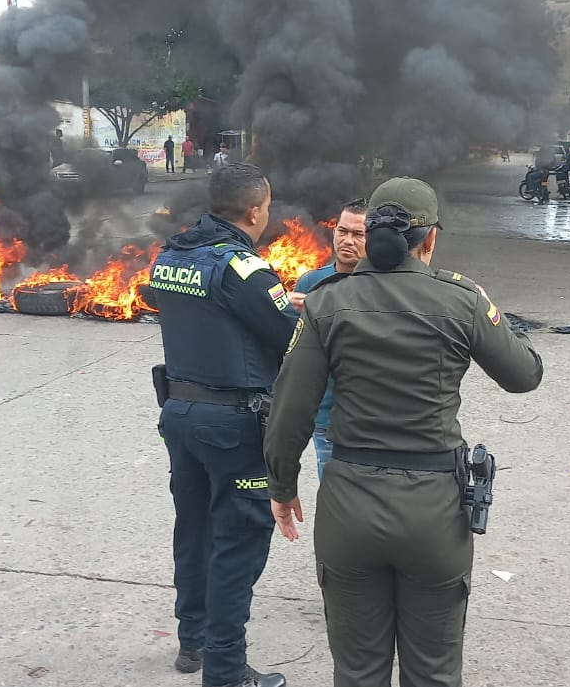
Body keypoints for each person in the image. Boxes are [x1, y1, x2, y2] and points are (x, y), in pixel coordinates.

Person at [264, 177, 544, 687]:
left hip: (348, 507)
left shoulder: (327, 302)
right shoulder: (461, 300)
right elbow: (525, 375)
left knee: (357, 671)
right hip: (435, 514)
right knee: (434, 673)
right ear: (430, 238)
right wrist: (490, 310)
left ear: (368, 234)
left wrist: (281, 488)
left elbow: (289, 410)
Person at [146, 162, 296, 687]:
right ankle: (227, 671)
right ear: (255, 210)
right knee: (239, 541)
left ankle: (193, 642)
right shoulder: (245, 270)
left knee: (194, 529)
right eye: (269, 206)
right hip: (233, 425)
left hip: (180, 416)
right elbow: (289, 339)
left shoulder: (170, 256)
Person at [285, 198, 369, 479]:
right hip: (327, 420)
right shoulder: (311, 283)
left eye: (358, 234)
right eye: (342, 231)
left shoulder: (385, 286)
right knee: (334, 508)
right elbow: (295, 355)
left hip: (375, 421)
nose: (347, 240)